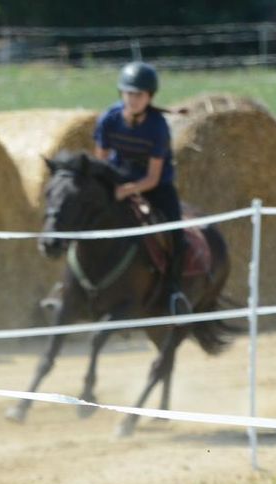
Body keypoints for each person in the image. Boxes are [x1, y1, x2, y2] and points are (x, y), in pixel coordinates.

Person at [94, 61, 191, 315]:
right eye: (129, 93)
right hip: (118, 177)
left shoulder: (158, 126)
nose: (133, 99)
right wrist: (105, 189)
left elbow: (152, 178)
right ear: (121, 94)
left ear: (150, 97)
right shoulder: (108, 119)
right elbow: (100, 162)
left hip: (155, 186)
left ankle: (174, 291)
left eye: (139, 95)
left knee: (176, 235)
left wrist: (124, 192)